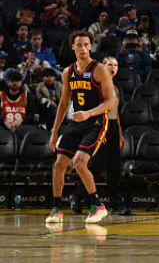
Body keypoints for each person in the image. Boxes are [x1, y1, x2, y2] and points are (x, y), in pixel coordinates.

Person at [45, 30, 115, 224]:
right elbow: (63, 103)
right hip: (76, 122)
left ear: (90, 46)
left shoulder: (100, 70)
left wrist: (89, 113)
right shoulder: (68, 72)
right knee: (59, 165)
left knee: (79, 162)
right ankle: (56, 210)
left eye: (86, 44)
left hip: (96, 122)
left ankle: (97, 206)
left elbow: (110, 102)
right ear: (73, 47)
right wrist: (54, 132)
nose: (83, 48)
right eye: (79, 45)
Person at [70, 56, 128, 215]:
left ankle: (116, 204)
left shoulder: (115, 87)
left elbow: (116, 112)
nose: (113, 67)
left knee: (114, 167)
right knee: (97, 166)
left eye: (115, 65)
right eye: (109, 64)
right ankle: (77, 196)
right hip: (100, 126)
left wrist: (120, 133)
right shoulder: (96, 85)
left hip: (113, 127)